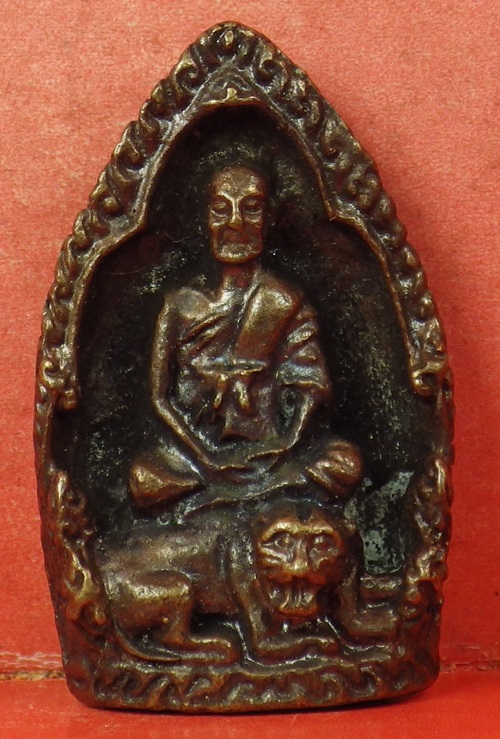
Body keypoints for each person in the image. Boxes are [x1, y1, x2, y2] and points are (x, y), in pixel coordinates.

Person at [130, 165, 361, 513]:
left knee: (346, 462)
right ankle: (258, 492)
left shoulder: (283, 301)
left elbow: (311, 385)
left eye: (251, 208)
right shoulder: (180, 305)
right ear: (205, 220)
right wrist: (207, 459)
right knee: (143, 479)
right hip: (196, 458)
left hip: (270, 454)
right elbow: (160, 399)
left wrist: (287, 445)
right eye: (221, 210)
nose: (235, 223)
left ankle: (227, 496)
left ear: (268, 220)